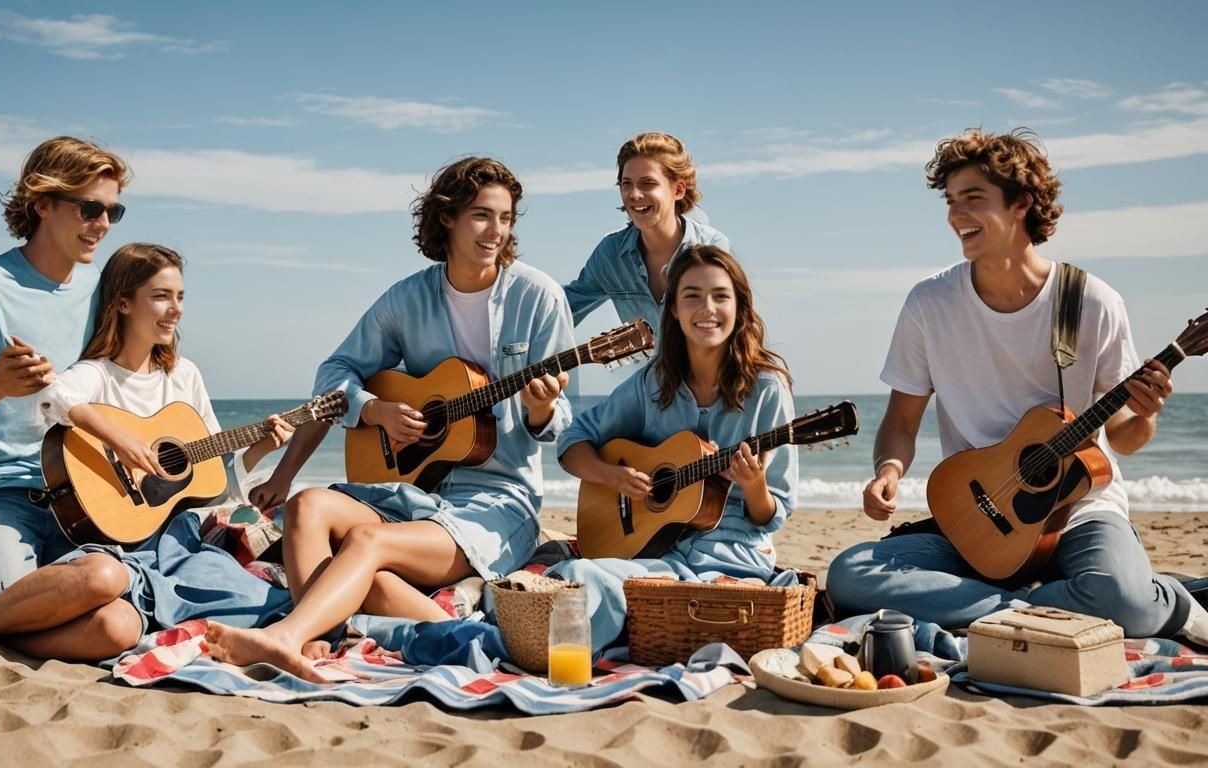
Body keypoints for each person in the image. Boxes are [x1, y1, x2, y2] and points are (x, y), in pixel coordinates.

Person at [826, 128, 1206, 643]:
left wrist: (1146, 412)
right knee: (850, 574)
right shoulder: (929, 304)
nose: (956, 215)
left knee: (1128, 603)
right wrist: (887, 471)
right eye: (952, 201)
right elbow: (900, 420)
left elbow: (1122, 438)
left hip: (1077, 513)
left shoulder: (1090, 302)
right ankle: (1036, 604)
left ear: (1022, 203)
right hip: (981, 520)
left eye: (973, 199)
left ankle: (1087, 598)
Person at [205, 157, 575, 678]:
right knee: (309, 507)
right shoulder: (408, 299)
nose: (496, 231)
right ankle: (317, 638)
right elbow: (334, 371)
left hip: (495, 500)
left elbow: (560, 423)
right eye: (481, 216)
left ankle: (289, 634)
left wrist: (540, 410)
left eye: (506, 218)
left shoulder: (539, 297)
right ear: (447, 217)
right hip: (412, 489)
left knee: (364, 543)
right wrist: (374, 409)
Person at [0, 244, 293, 660]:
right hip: (81, 526)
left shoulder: (185, 375)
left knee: (116, 627)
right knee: (26, 595)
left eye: (180, 296)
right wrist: (120, 440)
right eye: (162, 296)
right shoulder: (93, 373)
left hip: (140, 539)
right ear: (123, 304)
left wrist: (258, 450)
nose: (176, 308)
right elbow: (52, 398)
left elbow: (211, 482)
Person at [546, 244, 798, 651]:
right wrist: (613, 476)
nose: (707, 309)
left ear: (740, 307)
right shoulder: (652, 383)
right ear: (675, 311)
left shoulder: (767, 389)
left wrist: (753, 485)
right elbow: (573, 440)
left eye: (720, 296)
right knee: (577, 574)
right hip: (652, 553)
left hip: (730, 559)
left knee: (702, 603)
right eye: (692, 296)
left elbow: (771, 516)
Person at [0, 137, 130, 616]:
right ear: (43, 204)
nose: (101, 226)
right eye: (90, 208)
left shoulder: (104, 290)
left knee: (112, 606)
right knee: (6, 603)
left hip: (86, 494)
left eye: (113, 213)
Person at [563, 131, 730, 338]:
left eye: (647, 183)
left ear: (678, 190)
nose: (634, 194)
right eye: (626, 184)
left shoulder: (711, 247)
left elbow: (732, 329)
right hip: (646, 371)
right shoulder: (610, 254)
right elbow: (562, 310)